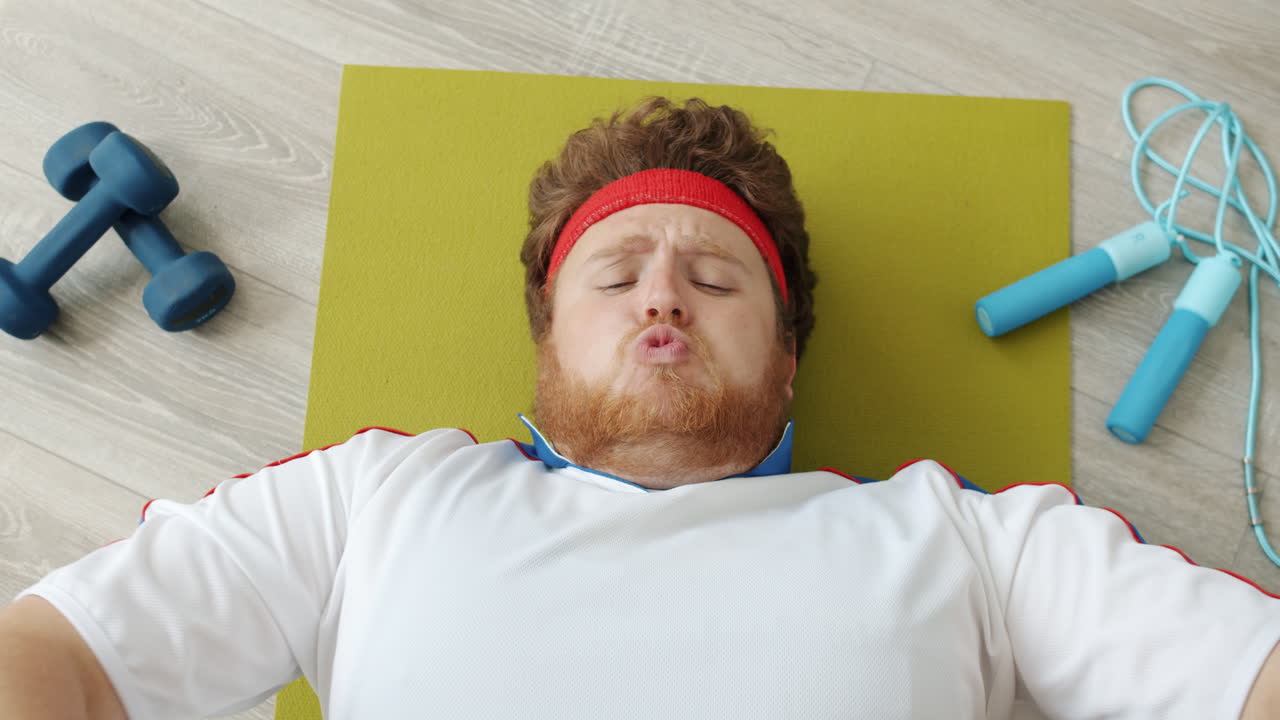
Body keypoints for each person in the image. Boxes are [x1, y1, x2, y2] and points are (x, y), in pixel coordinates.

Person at [1, 96, 1278, 720]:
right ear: (546, 344)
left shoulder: (965, 542)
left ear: (785, 361)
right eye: (614, 276)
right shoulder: (373, 499)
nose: (661, 295)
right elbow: (65, 660)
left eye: (714, 277)